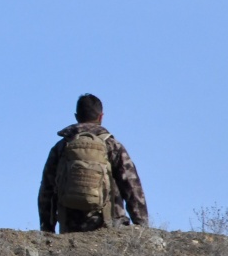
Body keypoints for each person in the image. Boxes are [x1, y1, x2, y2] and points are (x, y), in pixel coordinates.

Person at [38, 93, 149, 233]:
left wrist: (47, 229)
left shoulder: (61, 147)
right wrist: (142, 226)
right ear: (101, 116)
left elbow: (46, 190)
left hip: (71, 227)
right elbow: (132, 187)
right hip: (110, 225)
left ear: (76, 116)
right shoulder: (112, 145)